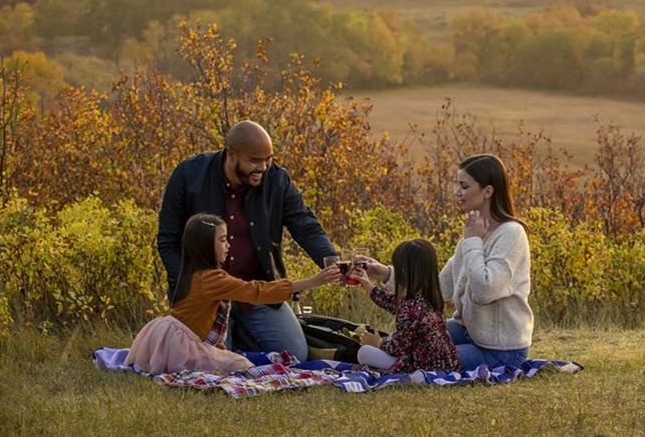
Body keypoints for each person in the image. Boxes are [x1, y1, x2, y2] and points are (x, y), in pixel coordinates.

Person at [157, 120, 338, 360]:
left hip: (258, 291)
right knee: (209, 361)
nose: (263, 167)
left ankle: (241, 334)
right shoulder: (189, 175)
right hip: (208, 296)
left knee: (295, 355)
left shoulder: (277, 180)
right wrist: (189, 286)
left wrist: (331, 260)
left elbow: (305, 225)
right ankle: (232, 337)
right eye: (255, 160)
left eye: (268, 159)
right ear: (231, 155)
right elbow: (168, 240)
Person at [362, 154, 533, 371]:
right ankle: (389, 358)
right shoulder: (472, 236)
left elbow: (485, 291)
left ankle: (394, 364)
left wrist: (472, 241)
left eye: (464, 186)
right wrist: (386, 274)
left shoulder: (511, 234)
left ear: (487, 191)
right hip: (468, 332)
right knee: (414, 335)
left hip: (500, 351)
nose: (457, 192)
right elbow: (440, 288)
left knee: (425, 357)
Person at [127, 213, 340, 374]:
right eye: (222, 240)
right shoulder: (212, 279)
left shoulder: (193, 271)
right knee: (242, 365)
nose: (228, 245)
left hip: (165, 335)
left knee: (230, 358)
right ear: (204, 245)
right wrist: (313, 281)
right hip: (182, 346)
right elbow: (256, 291)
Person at [352, 238, 460, 373]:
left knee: (364, 352)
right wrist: (369, 287)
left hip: (421, 365)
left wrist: (378, 343)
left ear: (403, 271)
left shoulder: (411, 308)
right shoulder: (430, 296)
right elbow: (394, 304)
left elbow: (397, 348)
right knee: (389, 339)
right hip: (442, 361)